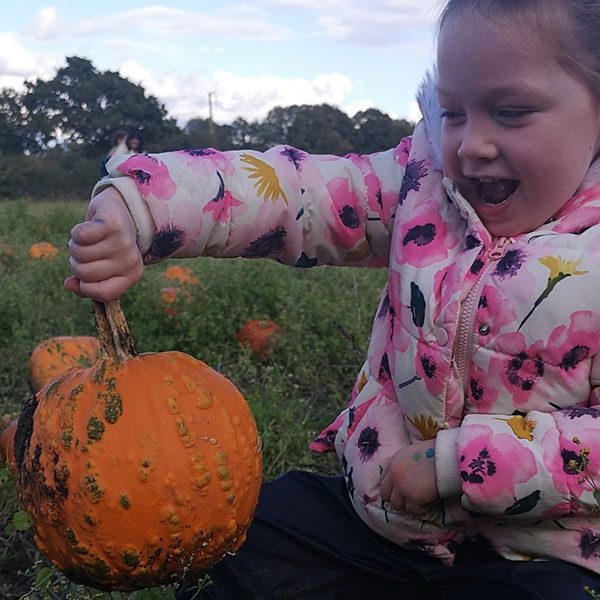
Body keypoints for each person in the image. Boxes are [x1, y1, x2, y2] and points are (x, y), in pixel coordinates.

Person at [65, 1, 600, 597]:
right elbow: (299, 190)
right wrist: (139, 207)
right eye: (452, 111)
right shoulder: (425, 185)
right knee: (242, 543)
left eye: (510, 112)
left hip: (538, 552)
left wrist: (458, 464)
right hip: (384, 518)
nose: (471, 144)